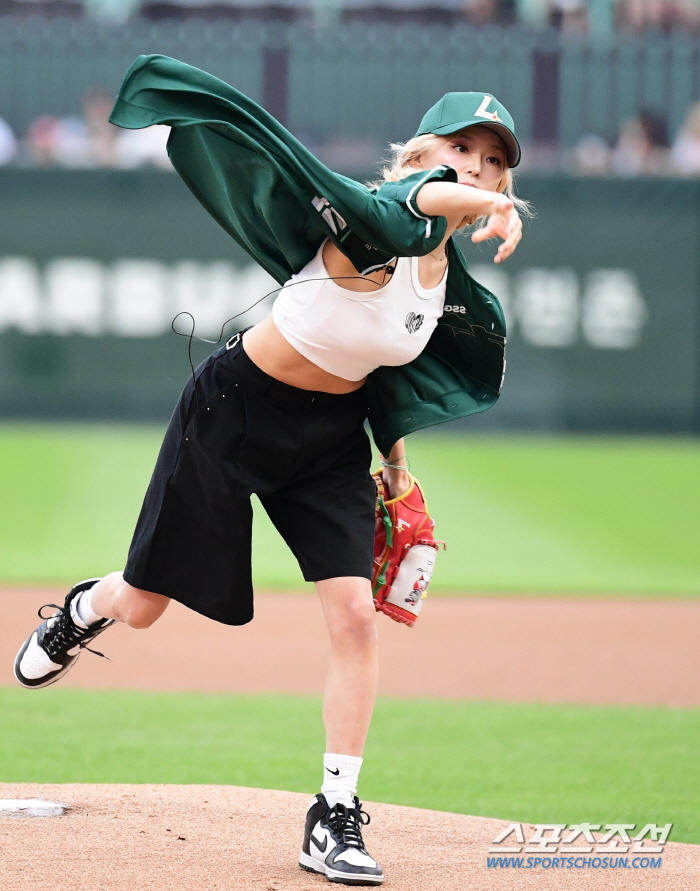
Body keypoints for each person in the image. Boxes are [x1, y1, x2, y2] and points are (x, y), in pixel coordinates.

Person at [13, 56, 526, 887]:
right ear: (423, 150)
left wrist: (393, 467)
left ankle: (334, 812)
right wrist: (486, 202)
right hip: (233, 411)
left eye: (496, 159)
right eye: (464, 148)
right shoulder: (385, 216)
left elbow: (383, 373)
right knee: (144, 606)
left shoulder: (449, 282)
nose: (478, 166)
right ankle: (82, 608)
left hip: (329, 440)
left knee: (355, 617)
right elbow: (418, 205)